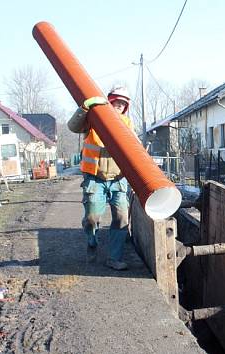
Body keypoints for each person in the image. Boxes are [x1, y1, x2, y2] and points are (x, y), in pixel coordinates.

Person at [67, 87, 133, 270]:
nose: (119, 106)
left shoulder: (126, 123)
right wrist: (85, 108)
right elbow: (72, 126)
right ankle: (92, 240)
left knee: (121, 219)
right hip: (95, 178)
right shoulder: (93, 120)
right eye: (116, 102)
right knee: (92, 218)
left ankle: (114, 258)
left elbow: (133, 147)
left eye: (123, 104)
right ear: (109, 102)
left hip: (118, 179)